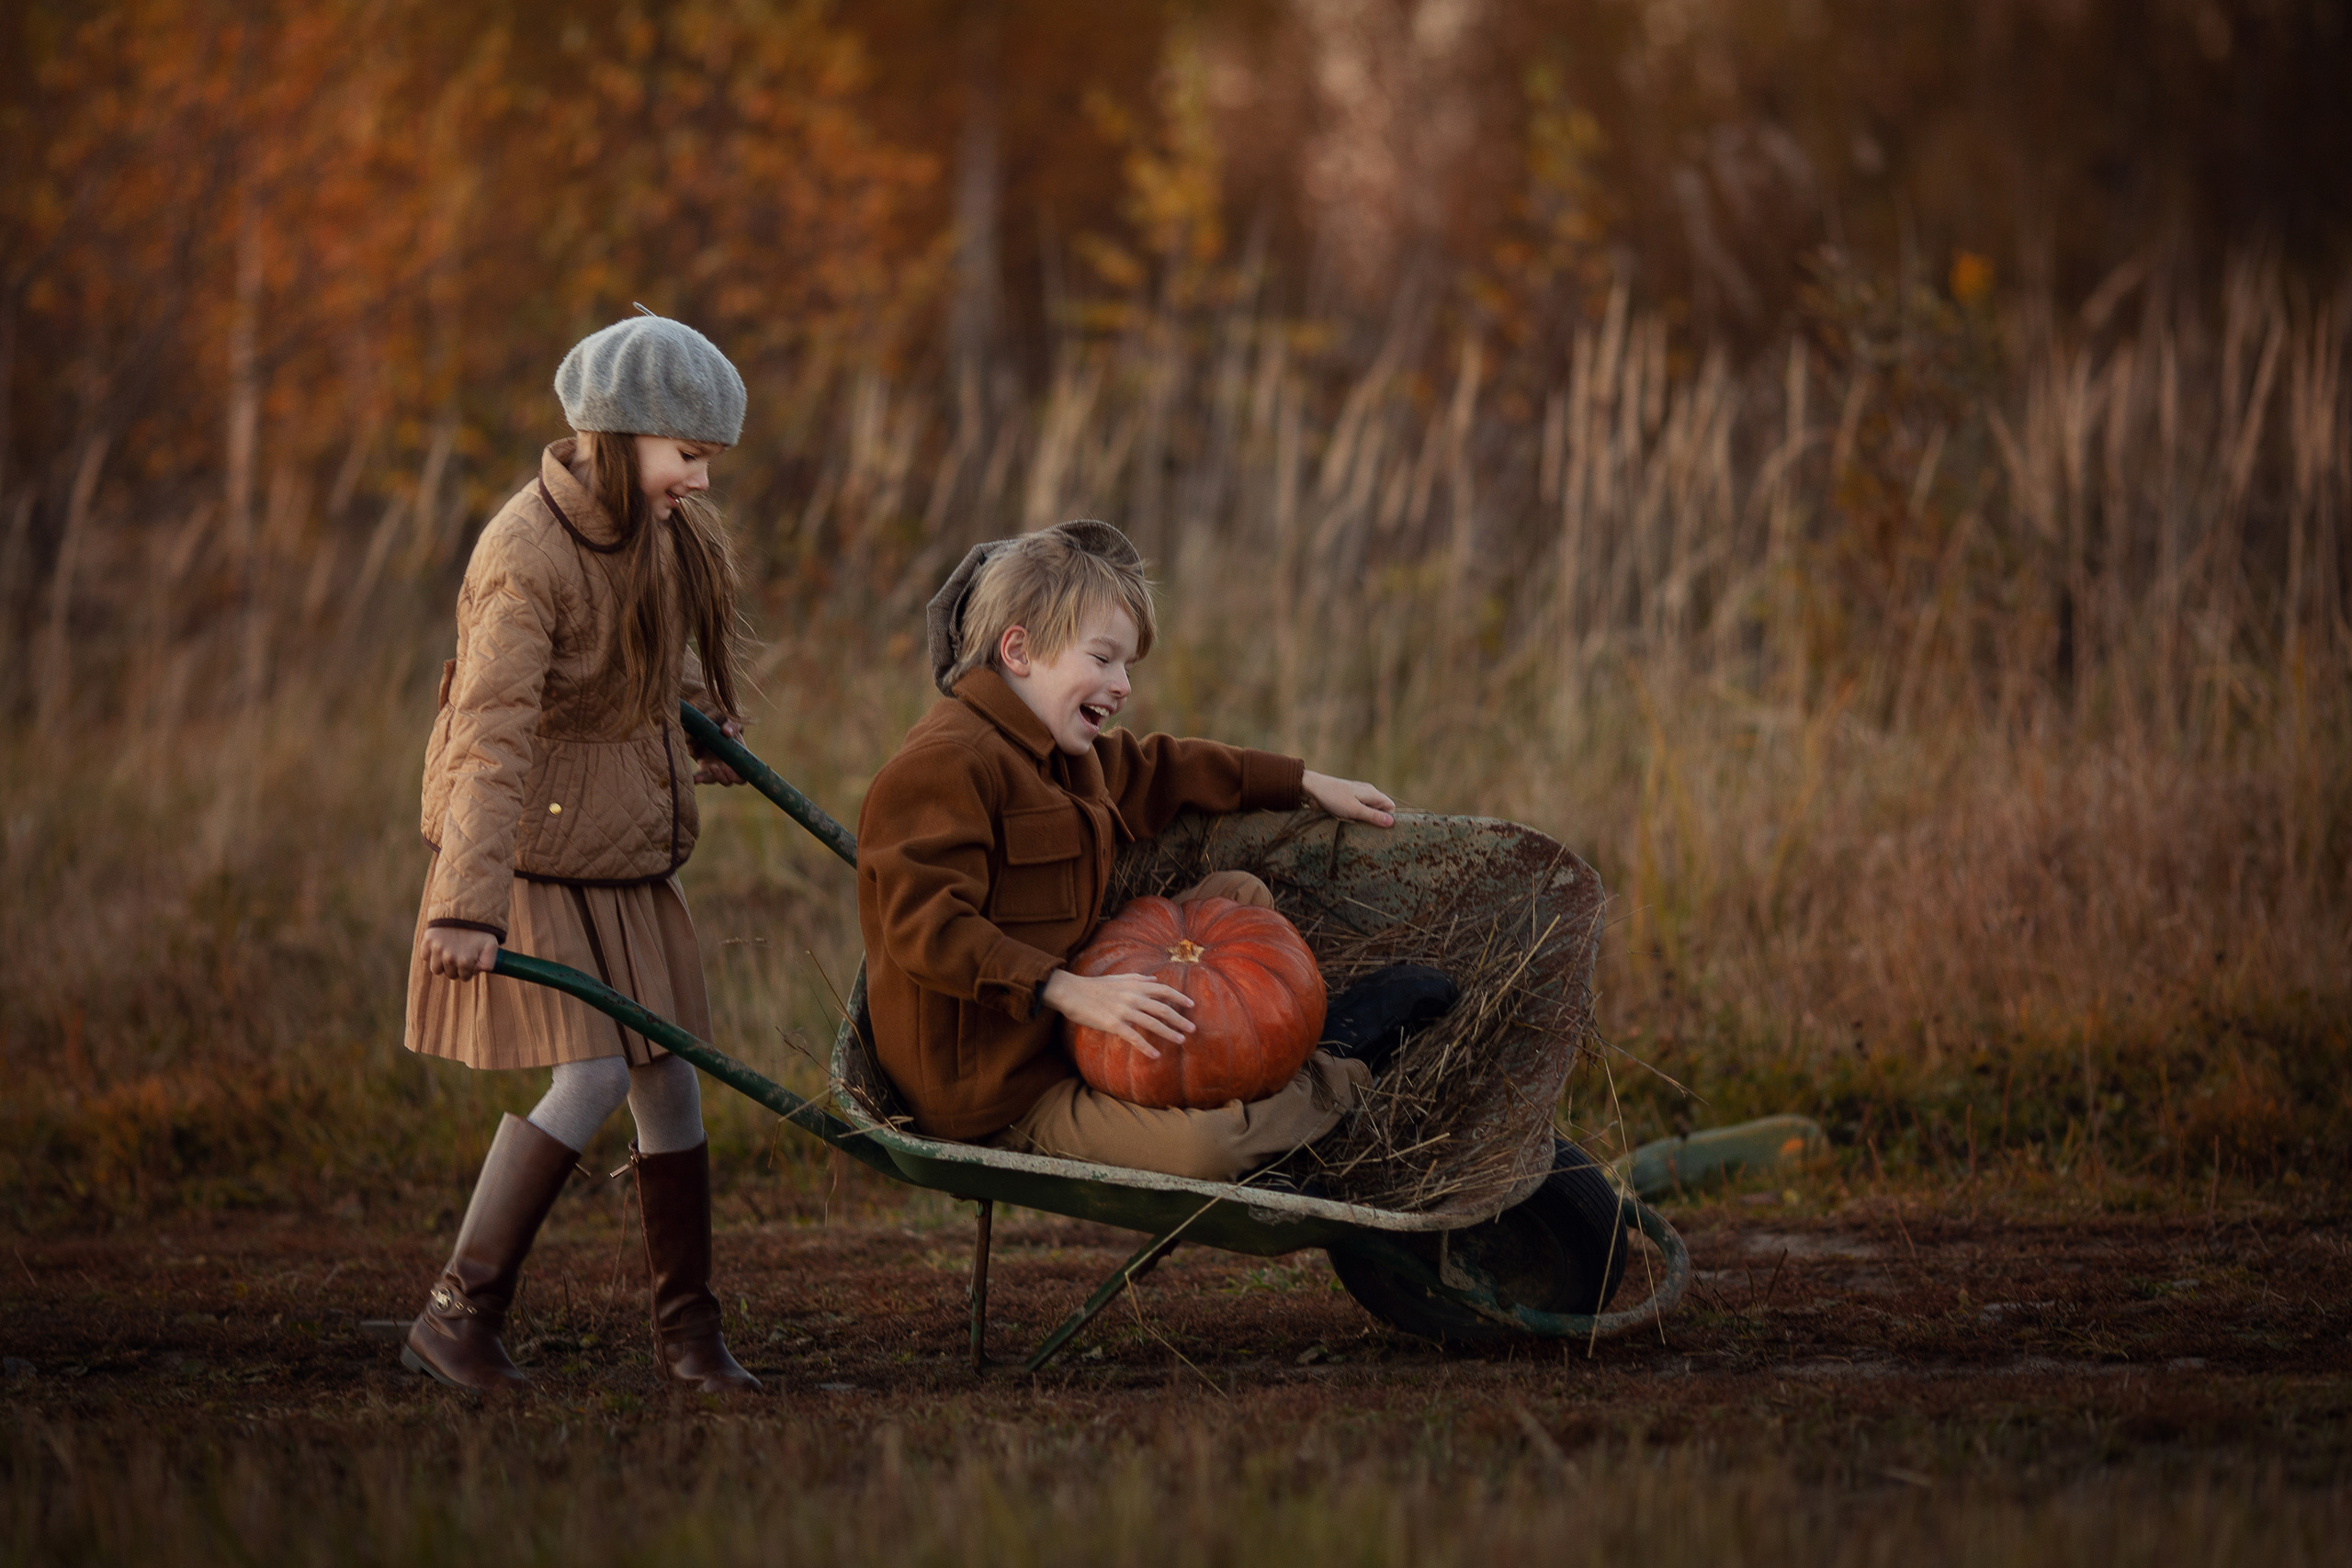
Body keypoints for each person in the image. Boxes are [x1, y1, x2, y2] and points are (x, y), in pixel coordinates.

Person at [855, 521, 1456, 1182]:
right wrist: (1067, 991)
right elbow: (926, 927)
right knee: (1209, 1150)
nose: (1123, 685)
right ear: (1020, 650)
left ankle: (1279, 1061)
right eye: (1103, 658)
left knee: (1241, 897)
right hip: (1003, 1088)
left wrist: (1305, 782)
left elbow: (1162, 768)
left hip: (1067, 1017)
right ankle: (1339, 1072)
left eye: (1128, 666)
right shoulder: (946, 767)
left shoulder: (1058, 750)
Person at [399, 311, 760, 1394]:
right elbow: (492, 732)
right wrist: (467, 906)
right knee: (596, 1068)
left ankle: (689, 1341)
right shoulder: (525, 551)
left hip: (623, 853)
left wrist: (698, 725)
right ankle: (456, 1316)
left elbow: (619, 674)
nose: (698, 479)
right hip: (530, 859)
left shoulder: (650, 536)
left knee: (670, 1086)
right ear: (621, 435)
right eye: (687, 455)